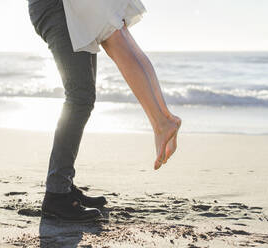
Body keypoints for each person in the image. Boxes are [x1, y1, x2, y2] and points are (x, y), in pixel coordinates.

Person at [28, 0, 181, 222]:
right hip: (58, 8)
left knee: (83, 97)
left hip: (68, 9)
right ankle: (56, 195)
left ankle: (63, 186)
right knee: (80, 98)